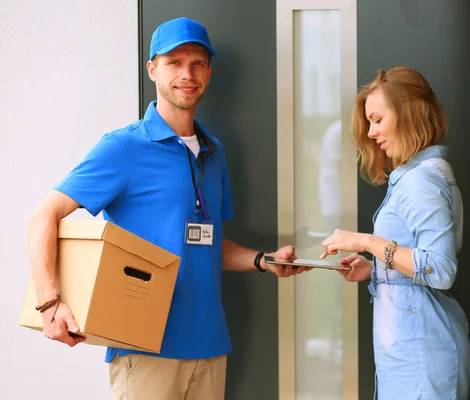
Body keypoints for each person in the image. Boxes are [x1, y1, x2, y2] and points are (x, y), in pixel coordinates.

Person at [26, 17, 305, 400]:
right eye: (174, 62)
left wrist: (263, 260)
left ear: (208, 73)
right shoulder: (122, 148)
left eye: (197, 63)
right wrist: (49, 303)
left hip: (209, 345)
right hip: (144, 348)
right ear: (152, 69)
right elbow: (43, 216)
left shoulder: (214, 152)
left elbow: (205, 244)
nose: (187, 74)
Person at [320, 67, 470, 399]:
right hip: (410, 348)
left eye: (377, 119)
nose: (371, 133)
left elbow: (440, 269)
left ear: (407, 113)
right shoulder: (415, 174)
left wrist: (366, 242)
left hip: (422, 352)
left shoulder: (421, 181)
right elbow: (417, 258)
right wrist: (377, 267)